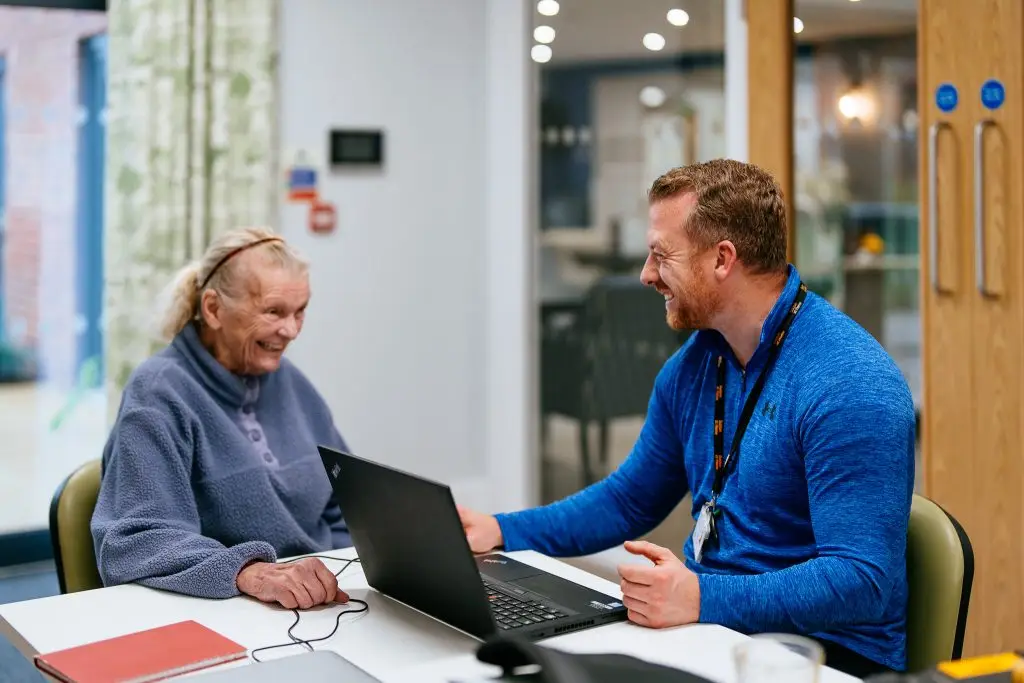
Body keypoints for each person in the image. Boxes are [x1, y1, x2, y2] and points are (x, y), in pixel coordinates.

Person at [458, 159, 915, 678]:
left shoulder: (849, 383)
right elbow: (629, 499)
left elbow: (862, 581)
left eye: (660, 255)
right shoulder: (698, 364)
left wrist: (701, 595)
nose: (646, 275)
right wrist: (501, 529)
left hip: (823, 658)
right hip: (712, 634)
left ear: (723, 259)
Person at [92, 227, 353, 610]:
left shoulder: (291, 382)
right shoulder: (159, 393)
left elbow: (346, 500)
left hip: (320, 600)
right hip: (228, 606)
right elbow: (135, 538)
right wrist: (250, 571)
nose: (291, 330)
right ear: (214, 309)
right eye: (273, 311)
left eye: (300, 312)